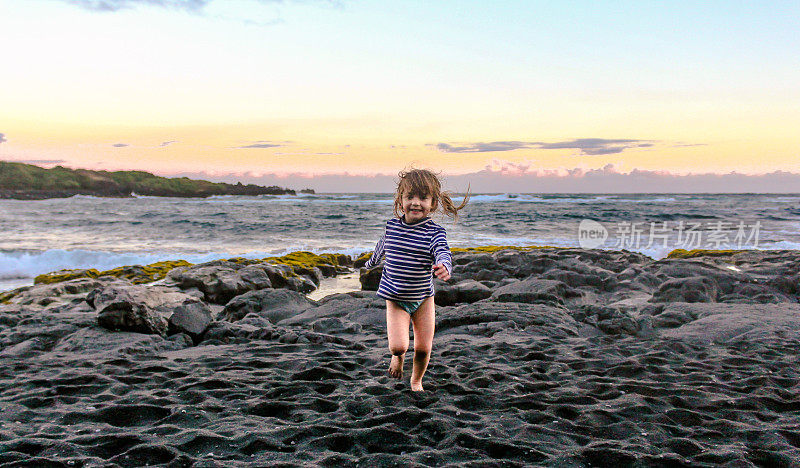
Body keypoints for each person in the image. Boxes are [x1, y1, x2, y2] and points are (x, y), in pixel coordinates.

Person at [363, 168, 470, 391]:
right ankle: (398, 358)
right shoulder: (392, 226)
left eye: (423, 198)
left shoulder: (434, 232)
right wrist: (370, 263)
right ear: (400, 200)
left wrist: (444, 265)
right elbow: (382, 246)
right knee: (399, 345)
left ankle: (416, 380)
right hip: (394, 297)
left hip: (423, 298)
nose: (415, 203)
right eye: (410, 196)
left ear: (433, 203)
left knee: (423, 347)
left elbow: (442, 251)